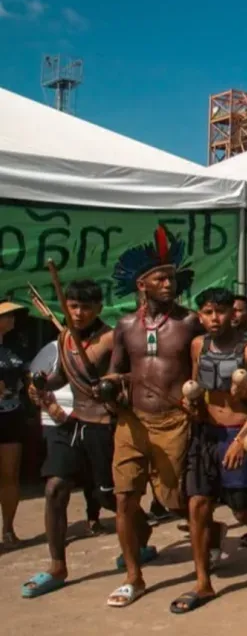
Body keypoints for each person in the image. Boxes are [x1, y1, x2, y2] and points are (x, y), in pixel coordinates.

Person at [104, 227, 199, 608]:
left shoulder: (190, 322)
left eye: (172, 278)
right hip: (132, 422)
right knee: (125, 499)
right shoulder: (126, 326)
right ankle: (134, 577)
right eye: (160, 278)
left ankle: (208, 528)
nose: (168, 284)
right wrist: (109, 388)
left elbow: (204, 364)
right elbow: (115, 371)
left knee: (175, 501)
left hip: (173, 422)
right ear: (142, 284)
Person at [170, 288, 247, 613]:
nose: (214, 319)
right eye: (207, 313)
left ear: (232, 314)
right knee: (197, 504)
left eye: (220, 312)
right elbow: (196, 387)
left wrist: (241, 439)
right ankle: (202, 582)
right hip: (205, 434)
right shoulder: (198, 346)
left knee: (242, 507)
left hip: (237, 433)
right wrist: (191, 407)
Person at [22, 281, 115, 597]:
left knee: (110, 499)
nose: (78, 313)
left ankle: (140, 542)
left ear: (99, 308)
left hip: (104, 424)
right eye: (73, 306)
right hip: (72, 423)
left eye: (86, 307)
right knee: (55, 488)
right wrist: (43, 384)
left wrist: (110, 385)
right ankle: (57, 565)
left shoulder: (111, 339)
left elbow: (123, 378)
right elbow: (62, 375)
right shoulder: (64, 337)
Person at [0, 301, 28, 548]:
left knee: (10, 474)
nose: (11, 319)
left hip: (12, 414)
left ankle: (8, 529)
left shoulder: (16, 346)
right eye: (6, 315)